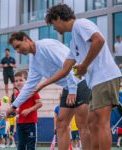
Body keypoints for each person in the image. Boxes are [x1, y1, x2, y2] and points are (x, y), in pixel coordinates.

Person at [34, 3, 122, 150]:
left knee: (101, 122)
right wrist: (42, 85)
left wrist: (84, 65)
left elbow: (99, 40)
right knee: (92, 122)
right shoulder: (73, 40)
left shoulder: (80, 24)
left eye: (53, 24)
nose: (54, 28)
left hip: (105, 77)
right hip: (95, 83)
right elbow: (64, 69)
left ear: (58, 18)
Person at [6, 32, 91, 150]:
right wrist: (14, 106)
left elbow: (68, 65)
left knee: (82, 124)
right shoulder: (33, 59)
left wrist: (72, 89)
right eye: (15, 49)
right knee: (61, 124)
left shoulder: (46, 46)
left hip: (79, 81)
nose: (18, 51)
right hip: (68, 87)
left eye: (18, 46)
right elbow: (29, 85)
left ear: (26, 39)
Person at [14, 70, 42, 150]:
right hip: (20, 123)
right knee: (21, 145)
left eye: (21, 80)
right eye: (16, 81)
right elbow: (18, 107)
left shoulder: (33, 91)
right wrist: (17, 110)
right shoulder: (17, 94)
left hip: (31, 123)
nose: (18, 82)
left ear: (26, 81)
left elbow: (39, 104)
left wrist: (29, 110)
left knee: (31, 146)